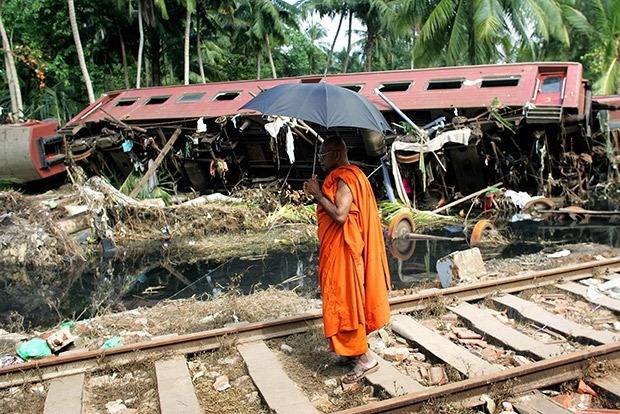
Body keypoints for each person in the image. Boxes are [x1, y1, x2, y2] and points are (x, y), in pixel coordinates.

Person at [303, 136, 391, 384]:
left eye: (323, 155)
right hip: (341, 250)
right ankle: (348, 351)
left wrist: (319, 195)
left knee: (345, 301)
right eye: (319, 156)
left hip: (346, 254)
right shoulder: (347, 176)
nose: (320, 160)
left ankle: (365, 358)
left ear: (337, 154)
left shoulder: (346, 178)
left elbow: (340, 215)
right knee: (342, 300)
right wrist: (319, 191)